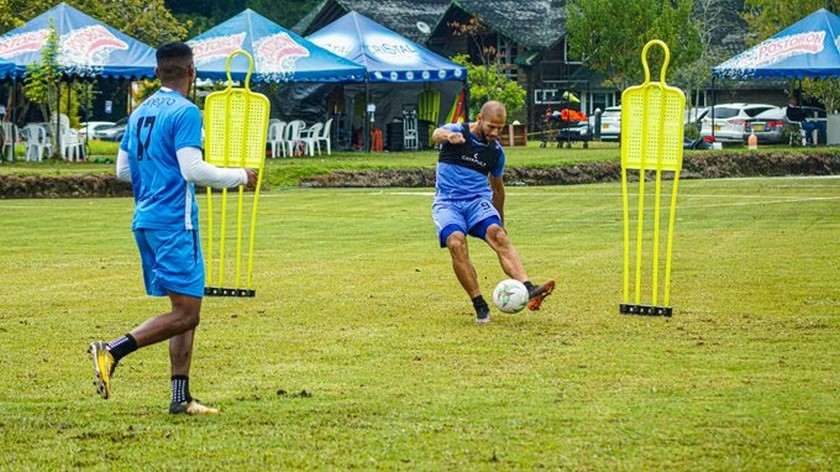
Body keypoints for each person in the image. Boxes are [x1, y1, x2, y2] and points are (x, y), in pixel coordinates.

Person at [89, 41, 257, 415]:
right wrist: (240, 176)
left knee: (185, 305)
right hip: (174, 223)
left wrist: (155, 176)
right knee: (187, 314)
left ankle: (181, 397)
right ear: (192, 70)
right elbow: (192, 170)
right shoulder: (185, 112)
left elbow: (122, 171)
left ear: (156, 72)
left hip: (145, 219)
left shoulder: (139, 113)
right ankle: (112, 351)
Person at [431, 100, 555, 324]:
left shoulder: (496, 153)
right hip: (448, 202)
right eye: (491, 127)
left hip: (477, 202)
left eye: (500, 128)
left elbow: (497, 188)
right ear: (479, 119)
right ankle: (480, 305)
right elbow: (436, 133)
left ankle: (528, 289)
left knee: (498, 235)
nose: (496, 132)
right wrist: (448, 138)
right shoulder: (458, 131)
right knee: (456, 242)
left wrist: (500, 222)